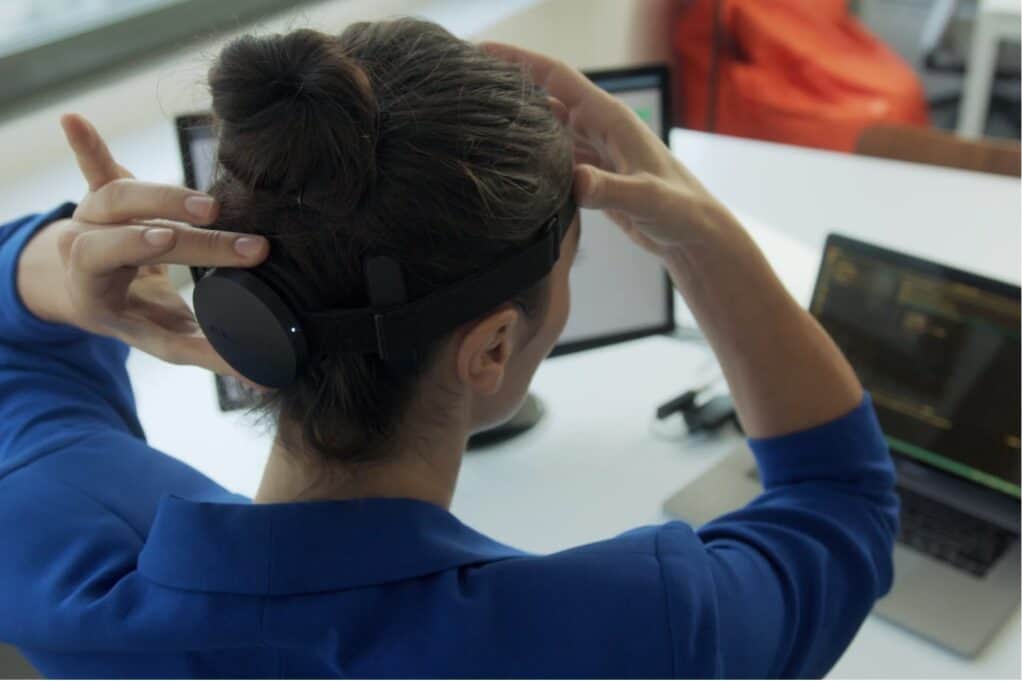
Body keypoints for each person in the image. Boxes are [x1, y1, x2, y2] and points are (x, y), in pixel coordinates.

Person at [0, 18, 897, 678]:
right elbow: (840, 499)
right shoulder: (631, 629)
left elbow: (21, 359)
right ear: (494, 345)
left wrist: (59, 265)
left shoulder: (67, 572)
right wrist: (706, 235)